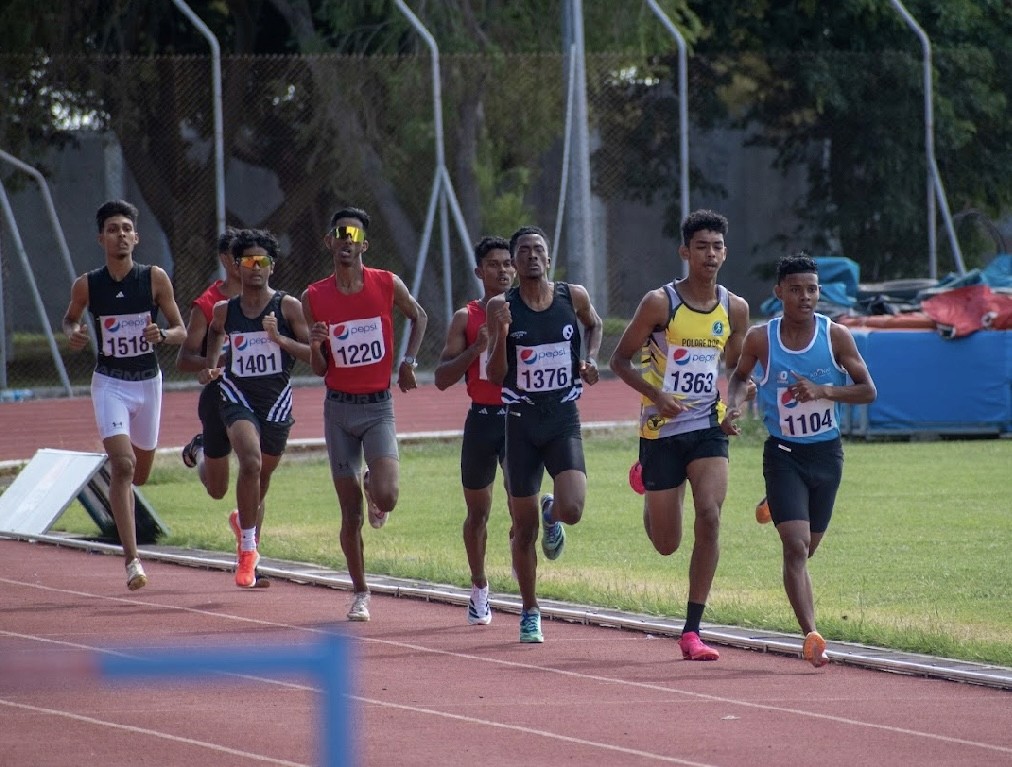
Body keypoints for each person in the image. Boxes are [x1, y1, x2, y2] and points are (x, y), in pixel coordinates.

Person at [608, 209, 750, 661]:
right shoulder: (660, 303)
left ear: (725, 253)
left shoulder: (734, 308)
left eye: (717, 247)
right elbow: (619, 361)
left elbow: (739, 371)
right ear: (685, 252)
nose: (710, 254)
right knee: (667, 544)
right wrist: (656, 395)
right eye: (702, 246)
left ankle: (692, 631)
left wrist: (737, 405)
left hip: (709, 427)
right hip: (661, 430)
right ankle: (649, 488)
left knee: (709, 515)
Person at [723, 253, 876, 668]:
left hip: (827, 455)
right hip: (784, 454)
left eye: (811, 289)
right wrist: (733, 405)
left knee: (808, 548)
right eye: (795, 289)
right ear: (779, 294)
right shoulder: (760, 337)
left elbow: (867, 391)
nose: (805, 297)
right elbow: (739, 376)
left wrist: (826, 390)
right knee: (794, 547)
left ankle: (776, 502)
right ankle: (812, 636)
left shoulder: (836, 336)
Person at [302, 206, 428, 621]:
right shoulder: (314, 297)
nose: (346, 242)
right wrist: (317, 345)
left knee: (387, 496)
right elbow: (318, 369)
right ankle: (360, 592)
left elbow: (419, 315)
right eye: (339, 234)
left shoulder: (386, 284)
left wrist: (408, 359)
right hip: (339, 409)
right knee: (350, 513)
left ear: (363, 245)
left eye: (353, 236)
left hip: (377, 407)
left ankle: (375, 483)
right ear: (329, 242)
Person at [485, 225, 603, 643]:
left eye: (539, 250)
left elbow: (595, 325)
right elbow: (494, 375)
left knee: (573, 508)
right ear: (514, 265)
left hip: (562, 418)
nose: (532, 256)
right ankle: (530, 610)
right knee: (523, 529)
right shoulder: (502, 306)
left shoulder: (574, 296)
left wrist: (590, 360)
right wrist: (499, 332)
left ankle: (553, 513)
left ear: (549, 259)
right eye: (524, 252)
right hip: (520, 422)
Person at [62, 199, 185, 590]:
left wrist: (162, 335)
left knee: (140, 475)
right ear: (101, 238)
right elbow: (71, 317)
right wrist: (74, 333)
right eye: (113, 229)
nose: (121, 235)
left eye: (127, 229)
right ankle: (133, 560)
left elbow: (180, 328)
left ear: (136, 237)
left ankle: (117, 472)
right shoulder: (88, 284)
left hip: (148, 382)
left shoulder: (154, 279)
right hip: (110, 382)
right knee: (124, 466)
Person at [202, 228, 312, 589]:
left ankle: (244, 526)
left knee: (260, 481)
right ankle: (248, 551)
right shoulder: (225, 309)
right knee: (250, 462)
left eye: (261, 261)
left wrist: (279, 339)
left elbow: (314, 354)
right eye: (247, 261)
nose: (255, 267)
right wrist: (213, 363)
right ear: (236, 266)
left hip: (276, 401)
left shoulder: (287, 306)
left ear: (272, 267)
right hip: (237, 395)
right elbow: (216, 331)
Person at [433, 235, 516, 626]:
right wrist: (474, 351)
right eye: (495, 265)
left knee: (523, 507)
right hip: (483, 420)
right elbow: (441, 378)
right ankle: (480, 587)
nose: (503, 271)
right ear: (480, 272)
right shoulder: (466, 318)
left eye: (508, 264)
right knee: (478, 512)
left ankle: (526, 562)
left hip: (520, 419)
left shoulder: (529, 309)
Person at [175, 228, 242, 524]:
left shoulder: (267, 300)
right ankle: (201, 448)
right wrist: (218, 361)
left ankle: (249, 535)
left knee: (254, 463)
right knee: (217, 489)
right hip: (219, 395)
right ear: (225, 260)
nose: (249, 263)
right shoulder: (207, 304)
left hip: (256, 394)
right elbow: (184, 359)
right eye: (240, 256)